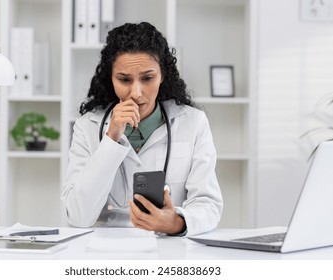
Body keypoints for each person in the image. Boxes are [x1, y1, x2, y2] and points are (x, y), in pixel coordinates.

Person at [61, 22, 223, 236]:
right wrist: (111, 138)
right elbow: (78, 216)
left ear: (162, 75)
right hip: (106, 252)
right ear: (111, 78)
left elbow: (209, 205)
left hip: (169, 250)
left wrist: (175, 223)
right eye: (124, 79)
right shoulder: (88, 126)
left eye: (147, 78)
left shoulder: (193, 123)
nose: (136, 93)